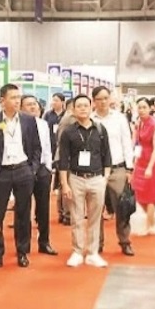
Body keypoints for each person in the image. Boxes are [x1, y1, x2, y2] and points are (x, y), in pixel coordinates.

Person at [0, 84, 41, 268]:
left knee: (23, 213)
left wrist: (32, 169)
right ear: (2, 100)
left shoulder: (28, 120)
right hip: (1, 171)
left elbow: (36, 146)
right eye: (13, 97)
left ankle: (22, 251)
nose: (17, 101)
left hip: (23, 169)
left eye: (18, 97)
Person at [58, 94, 112, 267]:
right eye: (79, 106)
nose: (82, 108)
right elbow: (63, 160)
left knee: (96, 218)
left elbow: (107, 155)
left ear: (91, 108)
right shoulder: (68, 132)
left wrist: (105, 178)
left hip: (97, 178)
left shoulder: (100, 130)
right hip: (76, 178)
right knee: (77, 217)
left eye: (85, 105)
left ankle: (93, 252)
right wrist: (64, 184)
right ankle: (77, 251)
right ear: (73, 110)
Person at [91, 86, 135, 256]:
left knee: (123, 208)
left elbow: (127, 143)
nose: (103, 102)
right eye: (99, 99)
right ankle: (97, 244)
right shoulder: (89, 119)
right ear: (94, 101)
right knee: (96, 209)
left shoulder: (119, 118)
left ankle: (125, 241)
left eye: (106, 98)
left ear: (110, 99)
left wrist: (129, 168)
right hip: (96, 170)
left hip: (117, 169)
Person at [21, 95, 57, 256]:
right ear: (21, 108)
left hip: (42, 169)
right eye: (28, 105)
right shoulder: (19, 124)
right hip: (24, 168)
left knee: (43, 208)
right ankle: (24, 245)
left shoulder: (43, 124)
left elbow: (48, 147)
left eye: (35, 104)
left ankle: (44, 242)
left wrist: (48, 167)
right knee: (23, 208)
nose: (33, 107)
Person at [131, 97, 155, 235]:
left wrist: (150, 166)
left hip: (152, 161)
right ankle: (152, 218)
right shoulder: (139, 123)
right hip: (140, 159)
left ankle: (148, 225)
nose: (141, 110)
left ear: (150, 108)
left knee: (151, 194)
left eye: (144, 107)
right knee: (138, 191)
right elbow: (135, 143)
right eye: (139, 107)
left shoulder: (154, 124)